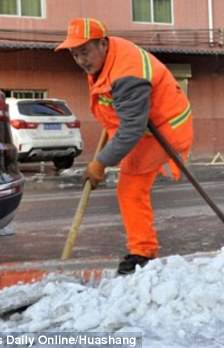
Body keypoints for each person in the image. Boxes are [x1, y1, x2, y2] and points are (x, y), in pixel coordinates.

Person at [55, 17, 193, 275]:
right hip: (144, 126)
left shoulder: (127, 73)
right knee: (130, 186)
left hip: (164, 129)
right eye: (75, 55)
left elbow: (132, 128)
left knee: (131, 186)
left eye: (85, 51)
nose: (81, 60)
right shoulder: (105, 60)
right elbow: (116, 108)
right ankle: (143, 250)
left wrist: (100, 162)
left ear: (103, 44)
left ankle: (142, 253)